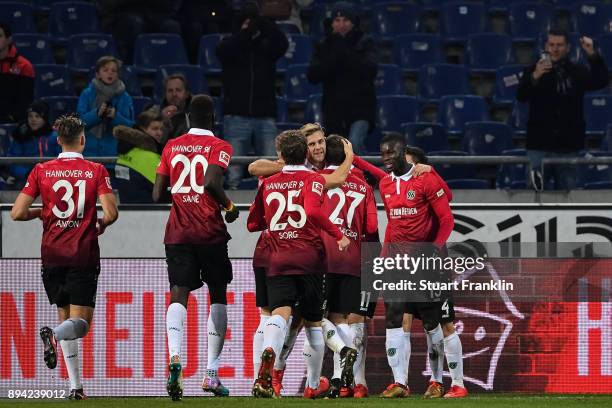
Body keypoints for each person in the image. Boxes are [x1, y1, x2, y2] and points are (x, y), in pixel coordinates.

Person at [10, 115, 118, 400]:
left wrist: (41, 212)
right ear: (82, 140)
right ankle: (52, 336)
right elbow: (111, 213)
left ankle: (75, 388)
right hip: (82, 254)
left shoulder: (41, 170)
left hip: (52, 255)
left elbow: (17, 213)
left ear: (57, 140)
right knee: (79, 325)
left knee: (65, 317)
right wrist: (102, 224)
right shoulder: (95, 170)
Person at [247, 131, 350, 399]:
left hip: (277, 257)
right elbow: (316, 209)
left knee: (276, 313)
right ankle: (313, 385)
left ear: (280, 155)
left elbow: (252, 223)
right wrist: (339, 236)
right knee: (314, 322)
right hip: (309, 258)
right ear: (305, 153)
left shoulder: (269, 182)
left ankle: (266, 360)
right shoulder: (313, 179)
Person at [153, 94, 240, 401]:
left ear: (188, 118)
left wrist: (180, 202)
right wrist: (229, 206)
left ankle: (175, 357)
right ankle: (211, 375)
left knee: (179, 291)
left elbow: (156, 193)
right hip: (210, 233)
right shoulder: (221, 147)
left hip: (178, 233)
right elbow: (211, 183)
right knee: (217, 294)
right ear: (213, 118)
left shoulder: (171, 146)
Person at [376, 133, 465, 398]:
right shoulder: (384, 184)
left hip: (428, 263)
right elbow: (393, 222)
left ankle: (448, 383)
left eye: (391, 153)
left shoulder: (426, 179)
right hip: (398, 263)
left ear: (404, 152)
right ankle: (400, 383)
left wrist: (433, 250)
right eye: (383, 155)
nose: (386, 159)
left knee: (437, 323)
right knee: (396, 320)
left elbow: (447, 220)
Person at [318, 135, 378, 398]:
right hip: (354, 258)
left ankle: (334, 381)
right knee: (354, 321)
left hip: (323, 259)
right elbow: (372, 229)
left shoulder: (317, 180)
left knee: (325, 319)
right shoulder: (363, 187)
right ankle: (357, 382)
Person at [516, 29, 609, 191]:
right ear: (546, 46)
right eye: (551, 44)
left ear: (568, 47)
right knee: (534, 196)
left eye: (559, 45)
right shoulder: (533, 70)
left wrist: (593, 55)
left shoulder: (577, 71)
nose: (555, 49)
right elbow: (521, 96)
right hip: (539, 145)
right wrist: (535, 76)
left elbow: (601, 81)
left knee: (568, 198)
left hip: (569, 146)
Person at [216, 1, 289, 189]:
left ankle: (270, 204)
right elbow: (223, 52)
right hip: (236, 116)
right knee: (233, 173)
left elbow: (283, 43)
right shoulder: (231, 45)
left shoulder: (267, 47)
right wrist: (244, 32)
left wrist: (262, 21)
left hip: (265, 115)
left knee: (271, 171)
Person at [307, 1, 377, 154]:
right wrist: (334, 53)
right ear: (331, 23)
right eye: (337, 20)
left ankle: (369, 176)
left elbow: (370, 70)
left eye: (346, 20)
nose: (341, 24)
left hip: (361, 107)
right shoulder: (324, 45)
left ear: (353, 23)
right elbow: (313, 75)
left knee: (355, 143)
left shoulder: (365, 41)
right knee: (336, 152)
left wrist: (342, 49)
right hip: (334, 109)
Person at [77, 56, 135, 157]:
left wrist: (115, 116)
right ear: (98, 74)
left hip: (114, 153)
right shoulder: (87, 94)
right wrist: (97, 114)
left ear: (117, 75)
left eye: (114, 70)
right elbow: (79, 123)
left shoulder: (125, 97)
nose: (110, 73)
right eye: (105, 70)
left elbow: (130, 127)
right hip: (90, 152)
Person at [97, 0, 181, 64]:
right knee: (135, 24)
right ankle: (130, 66)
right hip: (119, 16)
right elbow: (108, 4)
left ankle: (169, 71)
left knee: (171, 27)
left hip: (151, 15)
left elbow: (168, 5)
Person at [112, 108, 164, 203]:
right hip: (150, 212)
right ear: (142, 129)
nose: (159, 133)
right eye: (155, 129)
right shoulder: (150, 157)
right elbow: (162, 191)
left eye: (161, 129)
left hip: (127, 209)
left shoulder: (125, 150)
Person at [8, 100, 59, 189]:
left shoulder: (56, 137)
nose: (33, 119)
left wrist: (50, 173)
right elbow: (12, 162)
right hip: (27, 179)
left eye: (37, 116)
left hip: (52, 177)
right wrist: (27, 173)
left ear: (45, 118)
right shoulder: (21, 136)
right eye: (30, 116)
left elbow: (62, 160)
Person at [0, 22, 34, 123]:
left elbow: (25, 101)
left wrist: (11, 118)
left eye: (0, 36)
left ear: (9, 39)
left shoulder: (24, 65)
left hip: (12, 122)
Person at [160, 74, 192, 141]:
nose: (174, 94)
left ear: (186, 94)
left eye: (178, 90)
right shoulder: (157, 113)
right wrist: (163, 121)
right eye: (170, 91)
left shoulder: (195, 113)